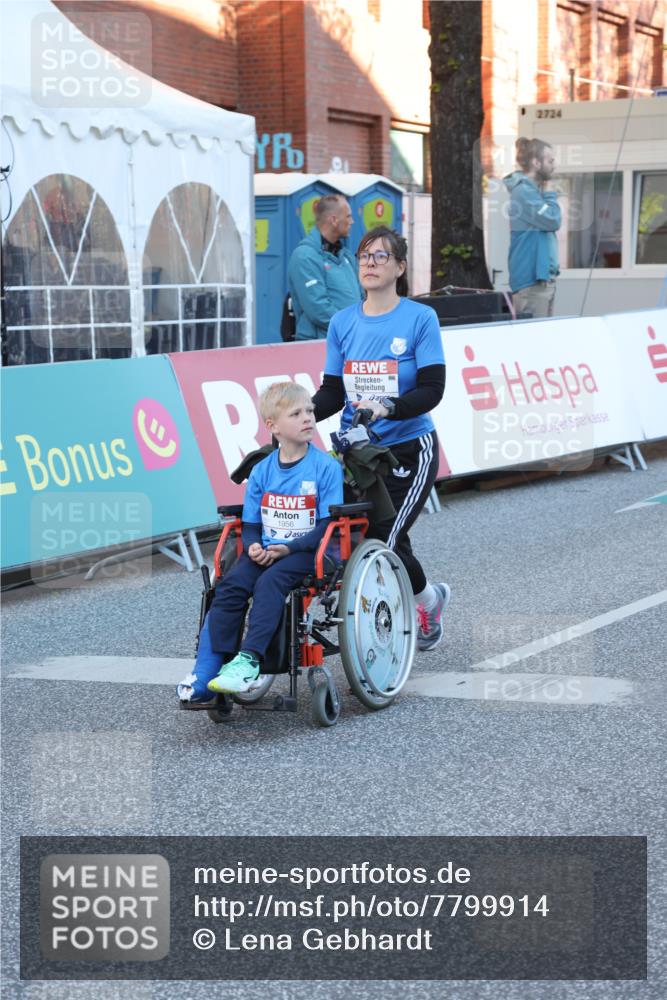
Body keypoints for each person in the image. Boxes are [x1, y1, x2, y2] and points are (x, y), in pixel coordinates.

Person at [312, 226, 451, 653]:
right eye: (364, 257)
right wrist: (297, 416)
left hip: (410, 447)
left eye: (380, 257)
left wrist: (389, 406)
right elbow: (333, 392)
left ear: (400, 267)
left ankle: (376, 637)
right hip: (360, 453)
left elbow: (432, 388)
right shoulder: (343, 322)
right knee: (379, 534)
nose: (370, 264)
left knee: (382, 540)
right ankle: (429, 600)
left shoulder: (419, 318)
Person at [177, 382, 343, 701]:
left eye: (310, 410)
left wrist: (289, 548)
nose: (308, 417)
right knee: (231, 584)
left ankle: (249, 661)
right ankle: (207, 668)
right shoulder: (262, 471)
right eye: (296, 413)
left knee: (270, 583)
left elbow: (326, 526)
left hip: (308, 551)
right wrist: (253, 545)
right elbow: (251, 524)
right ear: (273, 426)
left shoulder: (326, 467)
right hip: (267, 549)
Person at [287, 194, 362, 341]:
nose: (352, 222)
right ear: (334, 220)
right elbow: (318, 309)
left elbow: (362, 297)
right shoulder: (305, 256)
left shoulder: (346, 256)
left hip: (348, 341)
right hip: (319, 347)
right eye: (348, 216)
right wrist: (353, 327)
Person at [504, 137, 561, 318]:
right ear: (536, 163)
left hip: (541, 282)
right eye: (550, 160)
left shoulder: (533, 192)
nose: (554, 165)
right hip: (531, 284)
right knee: (537, 342)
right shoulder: (524, 192)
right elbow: (553, 220)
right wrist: (551, 194)